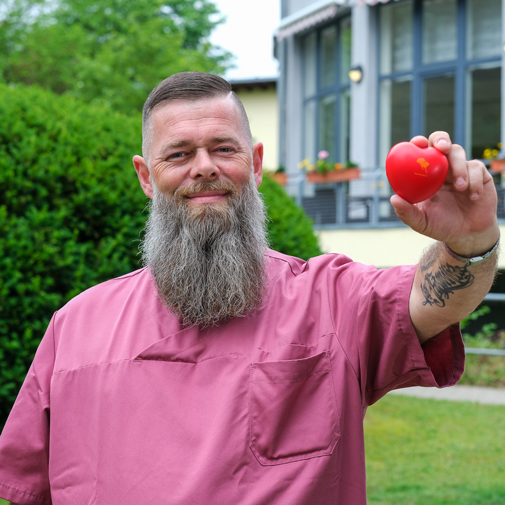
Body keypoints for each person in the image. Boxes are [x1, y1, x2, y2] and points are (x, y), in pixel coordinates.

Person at [0, 71, 499, 505]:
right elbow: (28, 488)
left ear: (256, 163)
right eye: (178, 154)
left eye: (223, 148)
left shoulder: (329, 300)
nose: (204, 167)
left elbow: (428, 304)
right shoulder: (74, 325)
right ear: (146, 177)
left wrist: (468, 243)